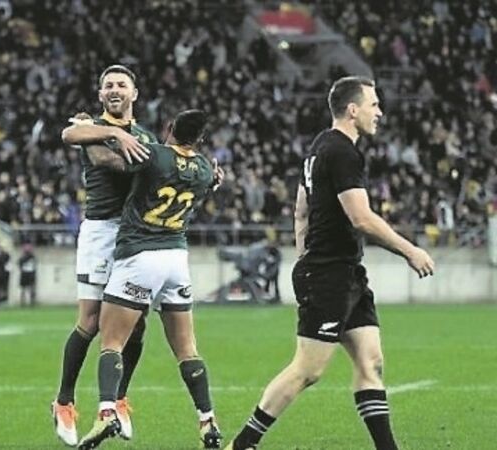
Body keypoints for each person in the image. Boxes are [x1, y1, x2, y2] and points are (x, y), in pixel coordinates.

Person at [227, 76, 435, 450]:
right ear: (353, 110)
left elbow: (300, 211)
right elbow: (361, 218)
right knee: (307, 370)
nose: (379, 112)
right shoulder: (342, 152)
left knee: (370, 362)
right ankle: (241, 446)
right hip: (329, 273)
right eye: (374, 104)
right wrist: (411, 250)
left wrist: (303, 256)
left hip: (345, 271)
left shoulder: (318, 148)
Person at [77, 110, 224, 449]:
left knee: (112, 341)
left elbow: (105, 160)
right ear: (200, 139)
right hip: (177, 260)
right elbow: (209, 181)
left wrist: (88, 130)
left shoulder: (154, 155)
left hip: (140, 255)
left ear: (169, 129)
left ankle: (106, 413)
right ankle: (208, 420)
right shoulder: (204, 168)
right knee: (187, 349)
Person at [52, 64, 156, 445]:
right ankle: (64, 401)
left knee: (137, 323)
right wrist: (114, 133)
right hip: (100, 234)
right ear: (100, 95)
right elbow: (81, 144)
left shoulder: (145, 136)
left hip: (134, 235)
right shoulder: (89, 127)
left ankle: (120, 397)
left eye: (121, 85)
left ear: (134, 93)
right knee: (92, 320)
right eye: (108, 85)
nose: (114, 89)